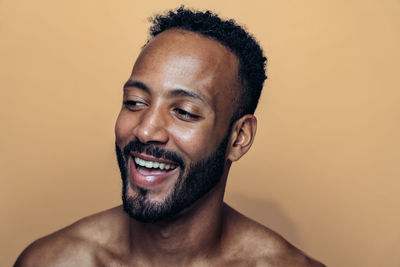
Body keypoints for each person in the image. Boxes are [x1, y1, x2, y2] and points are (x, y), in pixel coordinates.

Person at [15, 7, 324, 266]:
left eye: (185, 112)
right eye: (135, 103)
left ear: (239, 137)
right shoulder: (53, 261)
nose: (145, 130)